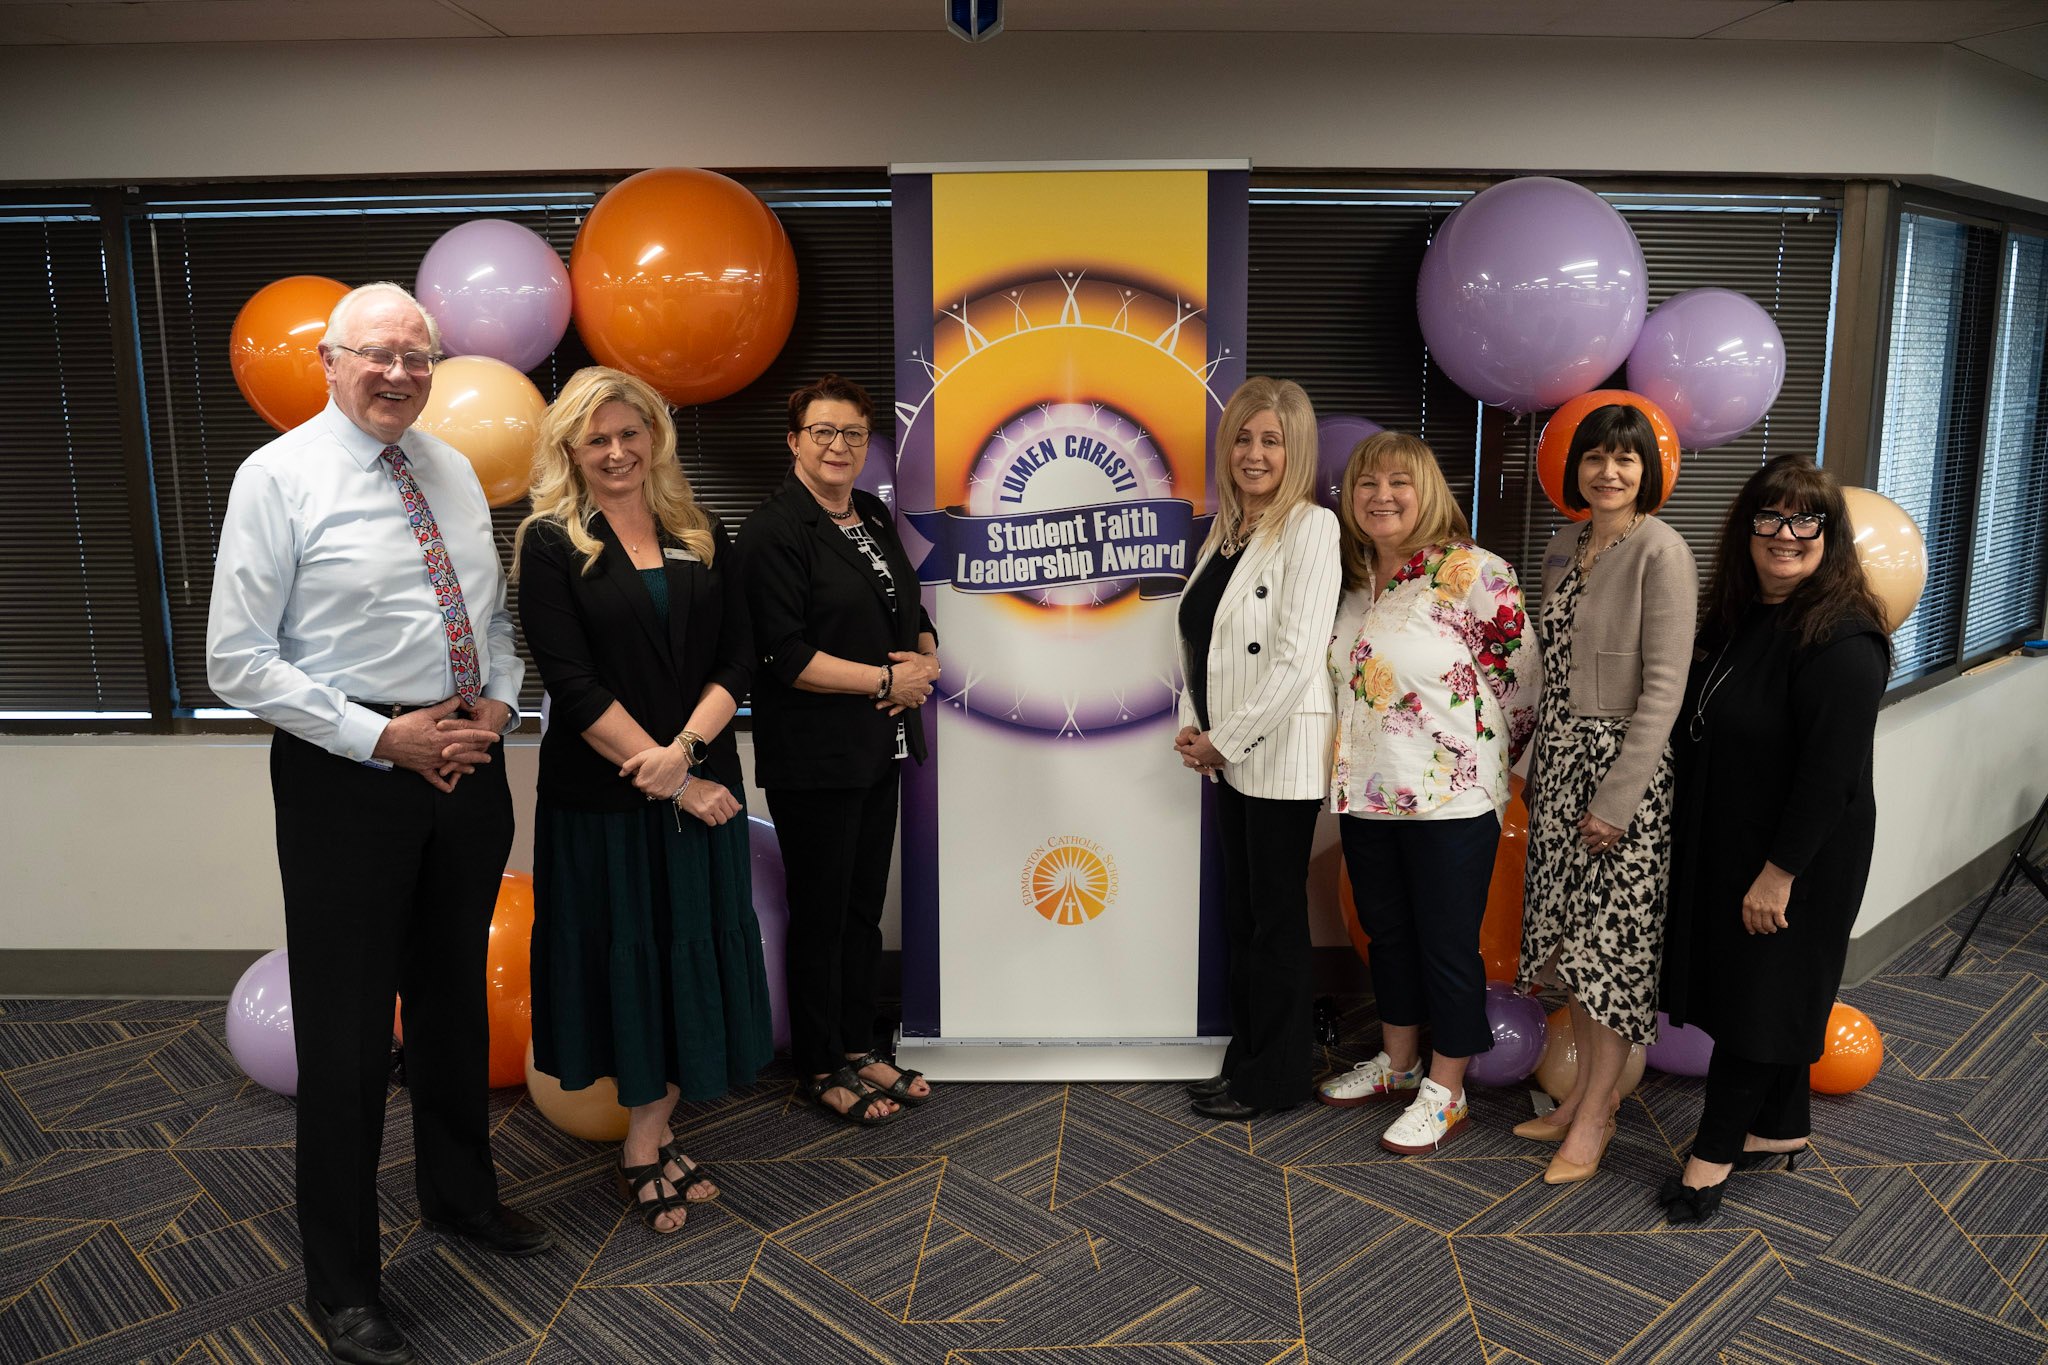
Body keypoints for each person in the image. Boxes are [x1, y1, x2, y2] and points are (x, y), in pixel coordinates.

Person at [208, 282, 551, 1365]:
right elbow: (237, 660)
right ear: (329, 359)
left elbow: (488, 615)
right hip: (345, 778)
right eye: (378, 355)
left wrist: (496, 702)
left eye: (419, 355)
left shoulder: (447, 468)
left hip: (466, 767)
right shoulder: (276, 478)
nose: (400, 373)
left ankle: (459, 1200)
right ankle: (343, 1283)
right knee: (351, 1041)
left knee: (452, 1003)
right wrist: (379, 737)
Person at [514, 366, 773, 1235]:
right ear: (570, 449)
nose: (618, 451)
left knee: (687, 955)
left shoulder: (699, 529)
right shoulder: (551, 541)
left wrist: (690, 755)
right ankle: (641, 1145)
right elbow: (573, 685)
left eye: (631, 433)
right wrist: (672, 776)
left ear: (654, 436)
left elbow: (738, 658)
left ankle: (653, 1130)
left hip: (701, 787)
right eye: (598, 438)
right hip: (605, 802)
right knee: (632, 958)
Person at [1658, 456, 1891, 1222]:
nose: (1785, 535)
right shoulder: (1740, 613)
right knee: (1757, 985)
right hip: (1736, 832)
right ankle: (1779, 1125)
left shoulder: (1845, 639)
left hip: (1801, 852)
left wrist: (1779, 872)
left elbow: (1830, 777)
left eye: (1805, 521)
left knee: (1762, 996)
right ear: (1747, 526)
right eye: (1770, 517)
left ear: (1830, 535)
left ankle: (1712, 1156)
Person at [1317, 432, 1537, 1154]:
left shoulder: (1471, 570)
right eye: (1366, 483)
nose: (1381, 495)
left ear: (1428, 489)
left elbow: (1522, 685)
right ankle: (1399, 1062)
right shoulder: (1351, 578)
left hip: (1450, 797)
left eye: (1398, 482)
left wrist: (1490, 766)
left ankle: (1448, 1089)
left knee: (1446, 943)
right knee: (1388, 936)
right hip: (1367, 791)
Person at [738, 374, 938, 1126]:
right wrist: (888, 675)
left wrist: (925, 656)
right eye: (822, 431)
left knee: (860, 912)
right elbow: (786, 655)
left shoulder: (872, 513)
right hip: (815, 756)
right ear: (793, 440)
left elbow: (907, 604)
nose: (838, 446)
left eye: (852, 433)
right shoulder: (772, 532)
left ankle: (859, 1044)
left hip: (877, 746)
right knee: (821, 913)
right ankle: (821, 1062)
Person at [1515, 406, 1696, 1184]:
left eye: (1624, 459)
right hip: (1558, 767)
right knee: (1568, 946)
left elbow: (1663, 690)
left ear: (1644, 471)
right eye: (1595, 458)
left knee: (1608, 957)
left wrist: (1617, 800)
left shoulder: (1662, 549)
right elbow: (1544, 667)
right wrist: (1530, 771)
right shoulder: (1565, 543)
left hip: (1623, 778)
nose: (1608, 472)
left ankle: (1594, 1116)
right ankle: (1583, 1097)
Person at [1173, 377, 1343, 1121]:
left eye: (1271, 439)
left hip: (1277, 751)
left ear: (1295, 449)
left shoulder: (1310, 528)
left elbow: (1296, 656)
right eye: (1243, 437)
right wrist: (1192, 721)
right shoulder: (1225, 528)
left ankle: (1272, 1081)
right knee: (1244, 917)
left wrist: (1223, 740)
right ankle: (1244, 1060)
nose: (1254, 452)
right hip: (1229, 752)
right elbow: (1198, 639)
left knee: (1273, 924)